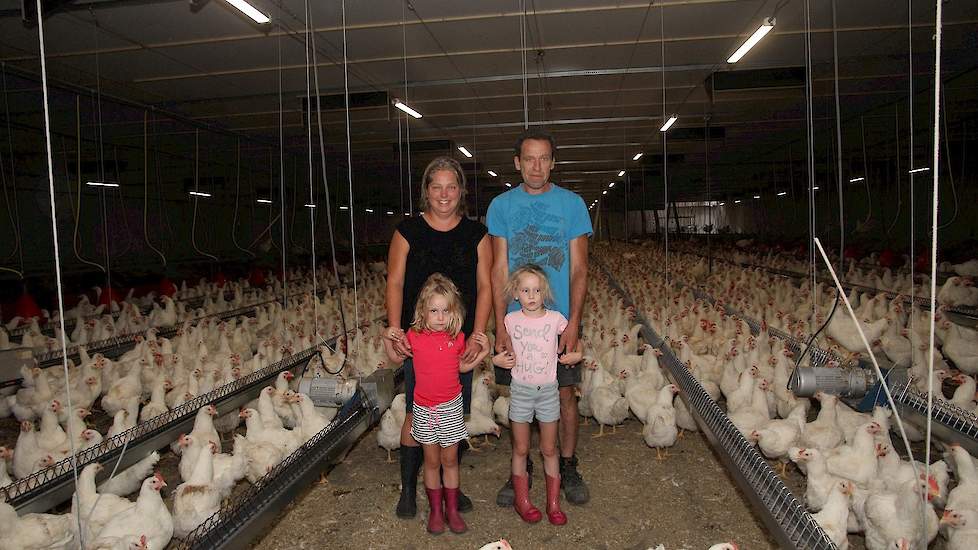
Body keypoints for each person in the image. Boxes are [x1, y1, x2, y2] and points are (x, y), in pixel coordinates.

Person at [487, 129, 592, 507]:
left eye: (543, 158)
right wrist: (500, 324)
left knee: (563, 394)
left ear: (552, 163)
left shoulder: (573, 205)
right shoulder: (500, 206)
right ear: (517, 163)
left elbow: (579, 269)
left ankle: (566, 464)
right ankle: (523, 465)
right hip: (517, 322)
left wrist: (575, 321)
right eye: (528, 158)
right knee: (520, 397)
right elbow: (499, 269)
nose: (536, 166)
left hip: (557, 322)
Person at [384, 156, 492, 519]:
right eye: (436, 187)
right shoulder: (407, 232)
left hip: (459, 344)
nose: (444, 194)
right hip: (420, 342)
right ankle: (409, 489)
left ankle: (450, 488)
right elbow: (396, 282)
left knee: (453, 414)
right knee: (416, 412)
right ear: (426, 192)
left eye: (451, 186)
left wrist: (478, 333)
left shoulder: (476, 234)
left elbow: (484, 285)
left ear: (461, 191)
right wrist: (394, 328)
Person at [384, 273, 490, 535]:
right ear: (423, 311)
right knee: (431, 462)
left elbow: (461, 366)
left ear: (454, 312)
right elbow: (396, 359)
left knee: (450, 460)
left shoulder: (458, 338)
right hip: (423, 409)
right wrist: (388, 337)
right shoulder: (414, 336)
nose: (440, 316)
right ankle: (435, 511)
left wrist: (484, 354)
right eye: (434, 310)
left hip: (451, 408)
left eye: (445, 310)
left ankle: (451, 509)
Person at [493, 264, 582, 525]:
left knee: (549, 448)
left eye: (537, 290)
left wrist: (577, 354)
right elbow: (499, 352)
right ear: (516, 294)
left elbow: (576, 342)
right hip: (521, 391)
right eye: (525, 290)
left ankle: (553, 503)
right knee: (521, 448)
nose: (532, 295)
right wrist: (499, 361)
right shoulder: (510, 321)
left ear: (545, 293)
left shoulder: (555, 319)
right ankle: (523, 501)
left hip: (548, 392)